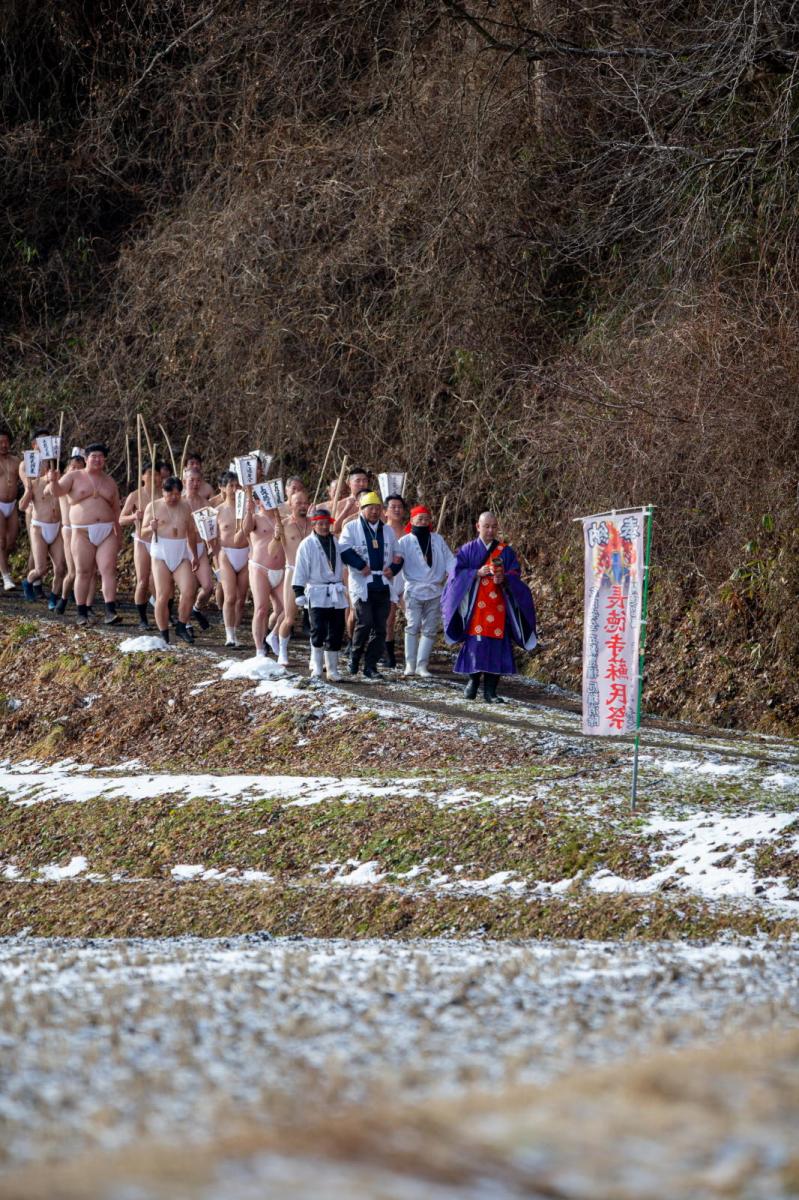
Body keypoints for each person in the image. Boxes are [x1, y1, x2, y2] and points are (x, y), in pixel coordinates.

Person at [441, 511, 537, 703]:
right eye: (486, 526)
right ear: (478, 527)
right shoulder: (467, 550)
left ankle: (491, 692)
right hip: (476, 608)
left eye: (494, 527)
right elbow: (455, 574)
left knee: (497, 647)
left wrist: (505, 578)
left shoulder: (506, 551)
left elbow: (515, 573)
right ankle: (473, 682)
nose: (490, 530)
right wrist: (475, 573)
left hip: (499, 608)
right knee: (476, 645)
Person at [47, 443, 122, 626]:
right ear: (86, 458)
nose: (97, 459)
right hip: (81, 531)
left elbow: (116, 510)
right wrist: (53, 481)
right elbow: (57, 492)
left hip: (106, 531)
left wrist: (119, 535)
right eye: (94, 456)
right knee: (83, 571)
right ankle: (81, 612)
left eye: (101, 457)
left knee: (108, 570)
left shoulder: (110, 481)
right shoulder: (73, 476)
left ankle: (110, 611)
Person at [339, 491, 403, 680]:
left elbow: (398, 553)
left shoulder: (388, 531)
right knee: (364, 622)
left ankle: (370, 665)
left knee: (380, 627)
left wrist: (393, 568)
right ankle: (355, 656)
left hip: (383, 582)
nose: (374, 512)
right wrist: (360, 565)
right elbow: (344, 549)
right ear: (362, 508)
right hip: (362, 582)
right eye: (370, 508)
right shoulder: (351, 528)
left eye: (377, 508)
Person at [397, 505, 455, 678]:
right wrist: (396, 591)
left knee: (430, 628)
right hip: (414, 589)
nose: (423, 522)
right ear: (412, 520)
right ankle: (410, 664)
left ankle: (422, 665)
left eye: (426, 519)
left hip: (435, 590)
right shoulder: (404, 541)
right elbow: (397, 566)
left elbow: (450, 561)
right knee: (413, 625)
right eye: (420, 519)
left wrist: (456, 575)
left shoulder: (437, 539)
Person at [141, 476, 199, 644]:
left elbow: (191, 532)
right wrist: (150, 528)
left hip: (180, 552)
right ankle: (164, 632)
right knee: (163, 595)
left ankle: (181, 625)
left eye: (177, 494)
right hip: (161, 553)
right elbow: (142, 533)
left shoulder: (185, 506)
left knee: (189, 590)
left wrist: (194, 555)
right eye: (170, 494)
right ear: (163, 492)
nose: (174, 497)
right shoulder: (154, 506)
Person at [292, 507, 347, 680]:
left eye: (326, 524)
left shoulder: (336, 542)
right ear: (314, 524)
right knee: (318, 629)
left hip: (335, 590)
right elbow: (300, 568)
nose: (324, 527)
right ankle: (316, 665)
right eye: (320, 524)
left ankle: (332, 669)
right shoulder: (307, 544)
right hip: (317, 591)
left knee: (336, 630)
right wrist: (298, 590)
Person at [119, 460, 168, 629]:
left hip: (160, 540)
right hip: (142, 540)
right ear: (142, 476)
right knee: (143, 580)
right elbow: (121, 519)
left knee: (160, 581)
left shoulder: (165, 494)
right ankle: (142, 619)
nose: (154, 477)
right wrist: (134, 517)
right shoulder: (135, 495)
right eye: (150, 474)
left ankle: (165, 615)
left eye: (157, 474)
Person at [242, 489, 286, 658]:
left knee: (288, 609)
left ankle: (272, 634)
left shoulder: (283, 518)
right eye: (265, 498)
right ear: (258, 501)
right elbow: (245, 530)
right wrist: (248, 511)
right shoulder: (256, 518)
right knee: (261, 609)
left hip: (281, 569)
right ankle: (259, 649)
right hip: (260, 567)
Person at [19, 463, 65, 607]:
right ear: (45, 470)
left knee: (60, 568)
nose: (53, 471)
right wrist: (28, 490)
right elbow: (21, 506)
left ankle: (53, 597)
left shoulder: (64, 483)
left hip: (57, 527)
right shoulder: (35, 484)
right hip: (39, 527)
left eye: (55, 469)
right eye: (50, 469)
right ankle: (27, 582)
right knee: (41, 569)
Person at [215, 470, 250, 647]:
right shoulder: (218, 511)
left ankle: (235, 632)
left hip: (245, 553)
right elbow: (213, 539)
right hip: (226, 554)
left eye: (237, 486)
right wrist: (215, 561)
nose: (235, 489)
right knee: (230, 597)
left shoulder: (247, 508)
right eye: (231, 486)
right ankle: (229, 634)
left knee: (241, 599)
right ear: (222, 488)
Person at [275, 488, 310, 666]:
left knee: (315, 619)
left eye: (305, 503)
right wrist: (276, 537)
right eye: (298, 503)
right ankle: (282, 651)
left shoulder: (314, 524)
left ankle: (316, 657)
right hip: (293, 571)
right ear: (290, 505)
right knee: (289, 618)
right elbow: (272, 551)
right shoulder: (284, 525)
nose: (302, 506)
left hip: (312, 574)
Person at [51, 449, 85, 614]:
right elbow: (49, 490)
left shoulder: (87, 483)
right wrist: (52, 481)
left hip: (85, 529)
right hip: (70, 529)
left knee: (87, 571)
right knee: (72, 571)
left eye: (79, 467)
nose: (75, 470)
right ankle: (62, 598)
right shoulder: (62, 484)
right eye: (73, 466)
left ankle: (86, 605)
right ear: (66, 469)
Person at [182, 466, 215, 632]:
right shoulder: (180, 502)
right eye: (191, 480)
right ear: (184, 482)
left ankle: (196, 608)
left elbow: (210, 529)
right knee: (188, 588)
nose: (195, 484)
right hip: (183, 548)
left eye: (198, 481)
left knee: (208, 586)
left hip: (200, 547)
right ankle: (185, 622)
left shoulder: (204, 503)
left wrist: (211, 545)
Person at [381, 493, 407, 668]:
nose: (397, 510)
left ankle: (414, 656)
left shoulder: (410, 531)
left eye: (400, 507)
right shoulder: (381, 531)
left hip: (406, 581)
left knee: (413, 619)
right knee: (388, 621)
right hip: (387, 580)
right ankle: (388, 655)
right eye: (393, 507)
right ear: (385, 511)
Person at [0, 429, 20, 590]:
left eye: (6, 442)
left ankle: (2, 567)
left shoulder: (16, 460)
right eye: (0, 442)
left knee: (10, 542)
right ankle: (6, 576)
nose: (3, 445)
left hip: (12, 503)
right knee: (0, 540)